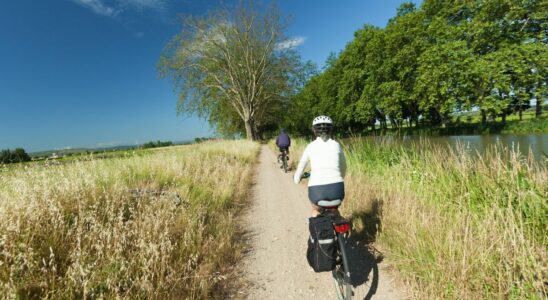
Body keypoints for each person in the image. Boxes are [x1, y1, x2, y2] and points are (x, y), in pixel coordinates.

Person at [294, 116, 346, 217]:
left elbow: (301, 165)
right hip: (337, 188)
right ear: (331, 129)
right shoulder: (336, 145)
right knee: (334, 209)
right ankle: (339, 228)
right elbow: (343, 166)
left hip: (317, 190)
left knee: (315, 209)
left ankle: (316, 232)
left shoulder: (310, 146)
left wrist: (296, 179)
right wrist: (341, 177)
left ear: (314, 130)